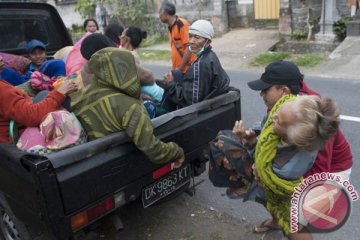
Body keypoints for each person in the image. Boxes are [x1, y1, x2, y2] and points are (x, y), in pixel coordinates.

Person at [238, 60, 352, 236]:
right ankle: (277, 222)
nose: (261, 94)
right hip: (301, 161)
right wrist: (254, 136)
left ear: (284, 90)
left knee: (295, 218)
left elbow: (318, 173)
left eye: (266, 89)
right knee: (268, 187)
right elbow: (269, 132)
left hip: (329, 170)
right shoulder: (283, 108)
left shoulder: (313, 123)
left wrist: (273, 183)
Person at [70, 47, 184, 167]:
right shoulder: (130, 106)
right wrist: (177, 151)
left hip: (92, 164)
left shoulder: (79, 97)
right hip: (120, 166)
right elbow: (153, 150)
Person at [161, 19, 230, 111]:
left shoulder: (201, 64)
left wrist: (170, 84)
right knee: (176, 73)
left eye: (197, 37)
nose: (191, 41)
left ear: (208, 42)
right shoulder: (210, 56)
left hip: (197, 114)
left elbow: (190, 102)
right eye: (190, 36)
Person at [0, 78, 78, 144]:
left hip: (9, 138)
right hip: (18, 141)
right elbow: (31, 116)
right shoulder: (2, 89)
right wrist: (60, 92)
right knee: (60, 99)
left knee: (43, 95)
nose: (1, 59)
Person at [120, 26, 164, 108]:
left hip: (157, 96)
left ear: (126, 38)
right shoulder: (131, 54)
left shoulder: (129, 56)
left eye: (122, 34)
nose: (120, 36)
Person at [159, 1, 196, 73]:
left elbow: (189, 47)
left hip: (186, 70)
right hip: (178, 69)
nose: (159, 16)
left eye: (160, 13)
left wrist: (180, 68)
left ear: (165, 14)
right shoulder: (170, 28)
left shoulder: (182, 24)